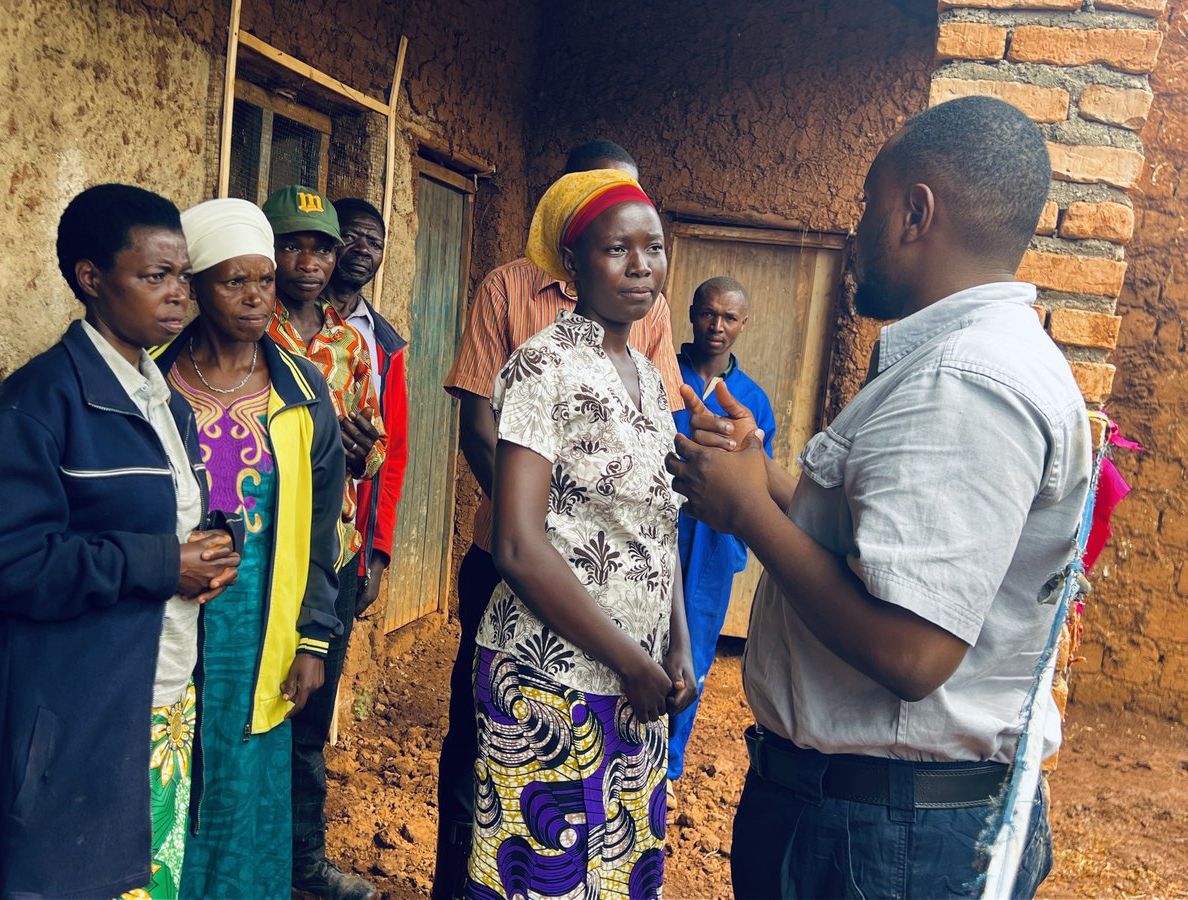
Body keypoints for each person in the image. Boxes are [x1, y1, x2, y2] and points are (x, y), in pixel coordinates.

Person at [666, 96, 1092, 899]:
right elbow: (877, 545)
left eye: (867, 204)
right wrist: (765, 478)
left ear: (914, 211)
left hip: (883, 841)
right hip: (886, 823)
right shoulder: (970, 364)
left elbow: (913, 650)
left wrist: (747, 512)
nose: (858, 232)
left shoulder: (966, 383)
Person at [436, 140, 684, 898]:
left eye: (655, 248)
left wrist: (674, 644)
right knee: (540, 877)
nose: (641, 266)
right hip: (553, 679)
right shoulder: (543, 365)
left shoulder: (647, 376)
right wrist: (631, 659)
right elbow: (516, 541)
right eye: (618, 250)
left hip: (637, 679)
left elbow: (658, 525)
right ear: (573, 266)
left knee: (614, 871)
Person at [0, 184, 242, 899]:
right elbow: (7, 561)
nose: (177, 296)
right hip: (82, 711)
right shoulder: (39, 404)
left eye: (182, 277)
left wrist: (215, 547)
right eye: (153, 275)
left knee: (148, 878)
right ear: (90, 278)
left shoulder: (158, 398)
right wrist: (164, 563)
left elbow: (160, 518)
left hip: (160, 699)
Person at [150, 198, 346, 898]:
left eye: (263, 280)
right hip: (165, 622)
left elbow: (324, 530)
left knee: (245, 779)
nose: (258, 295)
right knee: (165, 772)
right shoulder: (153, 384)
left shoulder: (301, 393)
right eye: (235, 281)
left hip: (262, 626)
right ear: (197, 286)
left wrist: (312, 641)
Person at [261, 184, 384, 900]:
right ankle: (241, 854)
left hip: (326, 553)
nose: (309, 259)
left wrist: (365, 447)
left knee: (308, 718)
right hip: (260, 550)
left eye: (321, 246)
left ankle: (302, 863)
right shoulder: (251, 323)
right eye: (294, 244)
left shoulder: (348, 342)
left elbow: (373, 450)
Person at [666, 276, 775, 800]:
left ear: (743, 324)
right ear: (691, 313)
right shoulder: (663, 372)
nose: (717, 326)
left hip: (711, 544)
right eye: (708, 313)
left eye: (729, 317)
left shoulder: (752, 401)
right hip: (657, 528)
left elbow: (760, 478)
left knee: (696, 654)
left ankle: (667, 764)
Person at [325, 197, 409, 616]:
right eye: (350, 237)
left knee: (323, 670)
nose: (362, 250)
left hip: (343, 539)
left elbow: (390, 456)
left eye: (373, 243)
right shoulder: (279, 322)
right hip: (272, 521)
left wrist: (375, 556)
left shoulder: (384, 346)